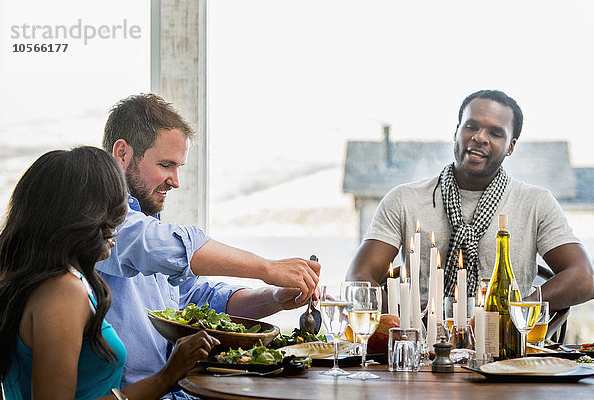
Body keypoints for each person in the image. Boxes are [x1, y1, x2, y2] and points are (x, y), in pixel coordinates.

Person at [96, 93, 321, 397]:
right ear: (122, 153)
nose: (176, 181)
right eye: (165, 165)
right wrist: (266, 268)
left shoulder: (146, 221)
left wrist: (276, 297)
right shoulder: (100, 219)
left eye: (179, 167)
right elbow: (156, 245)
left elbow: (200, 300)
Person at [0, 146, 220, 400]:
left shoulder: (26, 284)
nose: (119, 221)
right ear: (75, 215)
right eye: (111, 209)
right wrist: (166, 377)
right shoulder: (62, 292)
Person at [346, 89, 594, 313]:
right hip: (420, 349)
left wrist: (515, 312)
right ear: (456, 131)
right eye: (471, 126)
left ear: (511, 146)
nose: (480, 137)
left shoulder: (535, 203)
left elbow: (584, 278)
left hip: (504, 350)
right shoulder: (404, 199)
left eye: (495, 133)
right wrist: (404, 319)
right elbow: (359, 276)